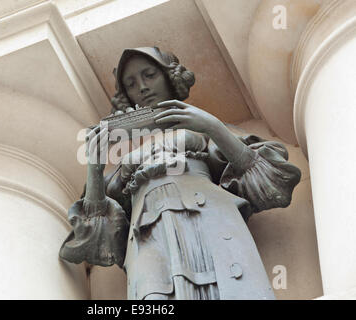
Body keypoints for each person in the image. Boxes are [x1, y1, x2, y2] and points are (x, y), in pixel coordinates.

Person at [59, 47, 301, 300]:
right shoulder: (123, 163)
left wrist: (212, 126)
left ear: (169, 77)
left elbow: (273, 182)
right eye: (131, 84)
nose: (142, 87)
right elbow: (97, 236)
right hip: (147, 235)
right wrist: (94, 167)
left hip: (209, 217)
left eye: (149, 75)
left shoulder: (203, 130)